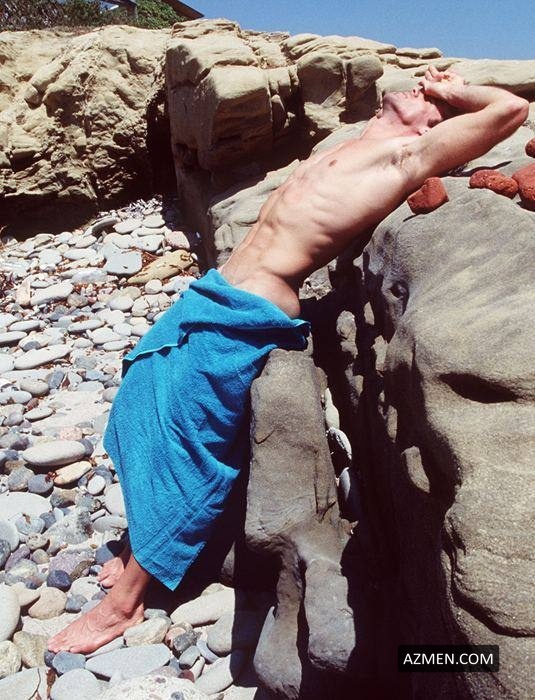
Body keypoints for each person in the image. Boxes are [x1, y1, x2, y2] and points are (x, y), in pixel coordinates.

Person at [48, 66, 528, 654]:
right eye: (425, 84)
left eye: (430, 95)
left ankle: (124, 603)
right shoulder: (358, 142)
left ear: (433, 125)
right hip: (214, 292)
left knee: (188, 439)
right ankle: (142, 539)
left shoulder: (404, 158)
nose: (420, 85)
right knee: (139, 393)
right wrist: (431, 95)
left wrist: (451, 93)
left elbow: (509, 111)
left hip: (250, 308)